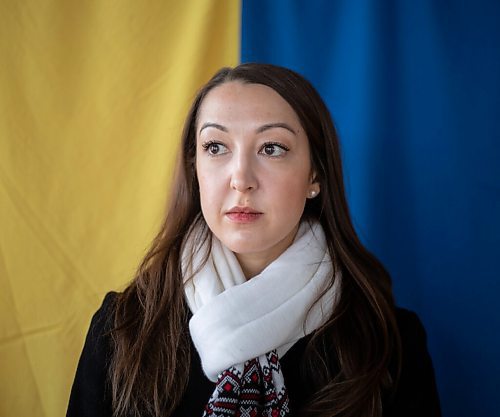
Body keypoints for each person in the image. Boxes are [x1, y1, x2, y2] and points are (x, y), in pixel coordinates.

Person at [66, 63, 441, 417]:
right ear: (194, 169)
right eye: (216, 147)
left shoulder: (389, 343)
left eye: (271, 148)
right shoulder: (123, 328)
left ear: (315, 175)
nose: (240, 178)